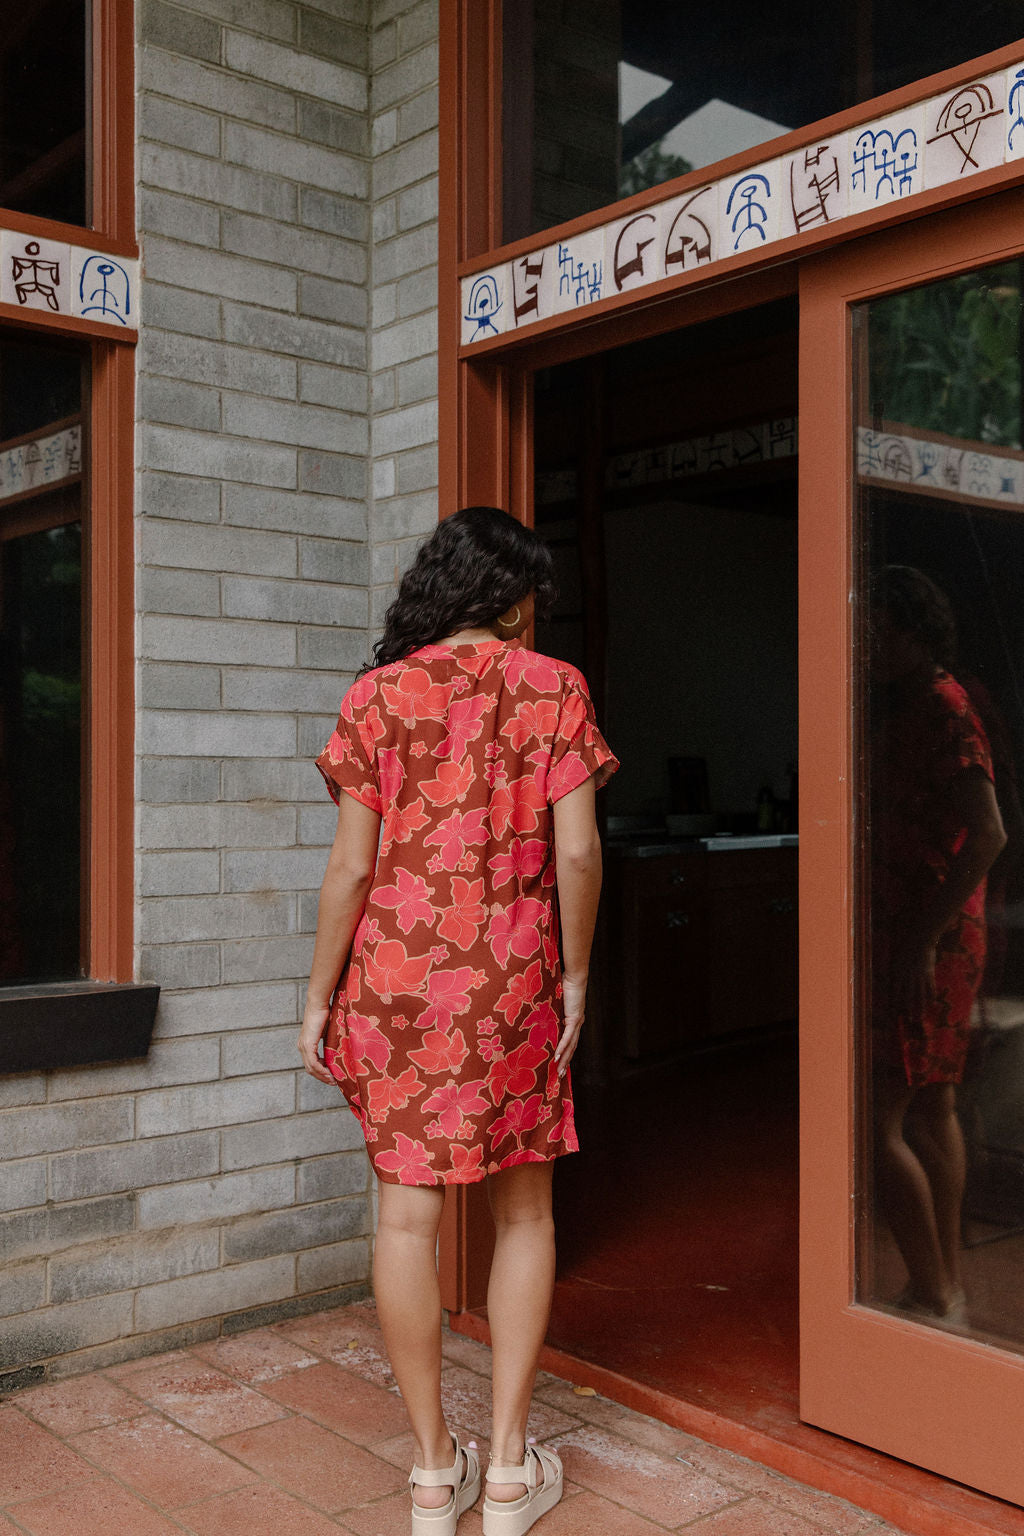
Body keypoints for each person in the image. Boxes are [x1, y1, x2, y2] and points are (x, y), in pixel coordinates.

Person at [298, 506, 618, 1536]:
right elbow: (576, 854)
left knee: (405, 1219)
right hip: (511, 981)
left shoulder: (378, 697)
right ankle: (514, 1471)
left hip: (394, 984)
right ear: (517, 597)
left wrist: (316, 995)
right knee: (523, 1212)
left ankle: (435, 1476)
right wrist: (574, 976)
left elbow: (350, 866)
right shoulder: (553, 686)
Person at [868, 565, 1006, 1324]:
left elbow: (987, 833)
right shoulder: (913, 704)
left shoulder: (943, 706)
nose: (868, 646)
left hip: (931, 935)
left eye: (879, 631)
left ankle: (932, 1288)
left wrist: (921, 938)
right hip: (934, 932)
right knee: (934, 1106)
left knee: (882, 1116)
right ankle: (943, 1281)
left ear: (914, 632)